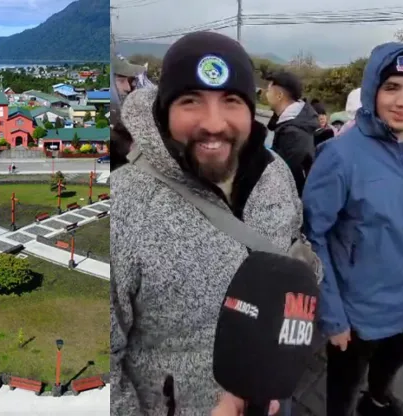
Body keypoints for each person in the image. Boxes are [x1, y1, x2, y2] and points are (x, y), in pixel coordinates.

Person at [111, 31, 303, 416]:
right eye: (191, 101)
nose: (213, 124)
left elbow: (294, 248)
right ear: (164, 111)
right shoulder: (122, 205)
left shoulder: (276, 176)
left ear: (251, 110)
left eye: (231, 101)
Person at [302, 42, 403, 416]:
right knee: (344, 386)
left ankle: (379, 398)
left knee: (397, 356)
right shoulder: (340, 156)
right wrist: (333, 316)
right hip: (357, 315)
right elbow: (311, 238)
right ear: (372, 91)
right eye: (392, 87)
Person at [265, 71, 319, 197]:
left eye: (268, 90)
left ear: (279, 95)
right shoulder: (290, 123)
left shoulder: (295, 132)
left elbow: (281, 173)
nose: (266, 94)